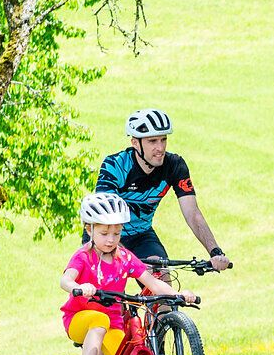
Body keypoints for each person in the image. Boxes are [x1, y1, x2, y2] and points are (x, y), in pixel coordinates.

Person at [62, 191, 198, 355]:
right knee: (99, 320)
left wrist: (178, 294)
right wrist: (79, 287)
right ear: (89, 229)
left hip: (113, 325)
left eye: (116, 233)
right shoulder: (83, 256)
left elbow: (152, 282)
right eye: (104, 233)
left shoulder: (125, 258)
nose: (111, 239)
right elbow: (65, 280)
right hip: (80, 319)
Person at [95, 108, 231, 280]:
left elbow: (193, 213)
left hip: (141, 235)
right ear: (135, 143)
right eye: (152, 141)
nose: (160, 148)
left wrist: (215, 251)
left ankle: (163, 308)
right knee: (102, 293)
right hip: (106, 235)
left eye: (163, 140)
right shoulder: (115, 165)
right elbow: (103, 216)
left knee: (163, 285)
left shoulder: (175, 166)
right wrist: (121, 255)